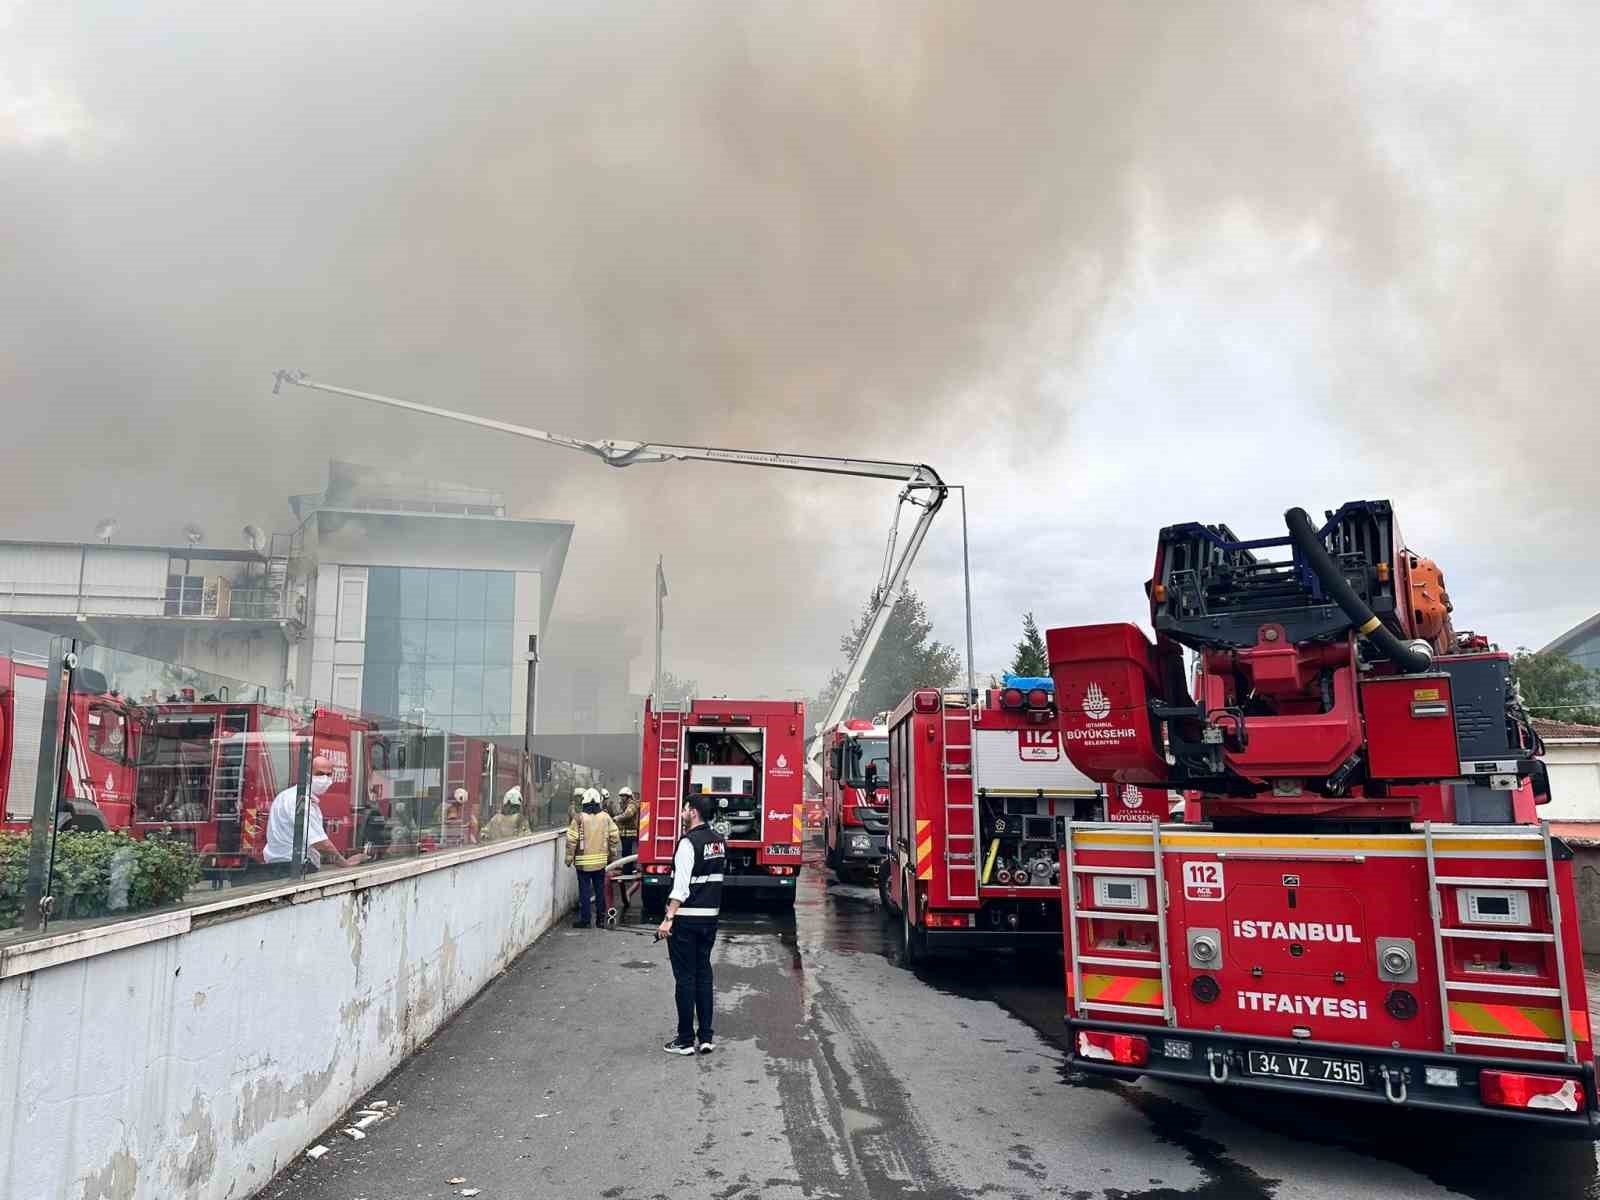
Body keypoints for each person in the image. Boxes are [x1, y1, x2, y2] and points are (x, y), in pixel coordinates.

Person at [658, 792, 724, 1055]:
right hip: (710, 920)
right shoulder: (719, 842)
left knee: (685, 978)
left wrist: (668, 918)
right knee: (704, 976)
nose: (683, 813)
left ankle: (685, 1040)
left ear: (693, 812)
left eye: (685, 809)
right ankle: (706, 1037)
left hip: (686, 921)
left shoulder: (688, 843)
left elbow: (681, 887)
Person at [262, 754, 365, 876]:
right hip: (293, 866)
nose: (325, 779)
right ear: (307, 775)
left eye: (329, 775)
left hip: (279, 864)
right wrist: (344, 863)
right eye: (320, 774)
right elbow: (320, 842)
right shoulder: (301, 801)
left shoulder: (286, 795)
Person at [565, 787, 619, 929]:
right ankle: (601, 920)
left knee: (585, 891)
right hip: (600, 862)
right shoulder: (605, 817)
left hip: (583, 863)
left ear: (584, 802)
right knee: (600, 891)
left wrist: (568, 859)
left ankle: (585, 920)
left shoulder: (578, 818)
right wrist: (611, 855)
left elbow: (571, 840)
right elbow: (614, 836)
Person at [609, 785, 640, 911]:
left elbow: (628, 814)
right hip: (624, 834)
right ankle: (627, 869)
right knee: (626, 854)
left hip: (630, 834)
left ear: (628, 796)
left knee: (628, 855)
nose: (621, 798)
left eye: (623, 796)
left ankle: (628, 870)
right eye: (620, 796)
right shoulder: (623, 804)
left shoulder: (632, 805)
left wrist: (616, 818)